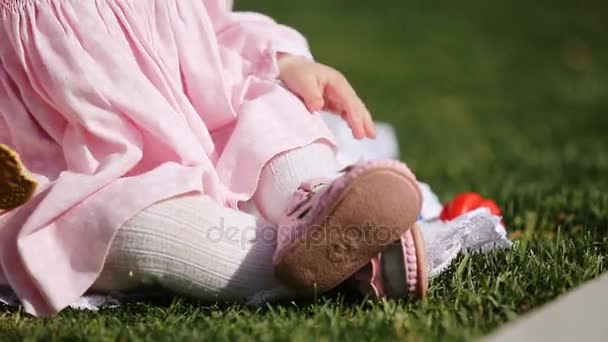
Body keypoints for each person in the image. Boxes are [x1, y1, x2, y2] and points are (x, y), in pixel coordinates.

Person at [0, 0, 426, 316]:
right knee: (142, 228)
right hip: (86, 173)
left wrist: (285, 60)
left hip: (203, 114)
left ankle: (312, 198)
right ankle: (346, 259)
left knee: (273, 110)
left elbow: (214, 25)